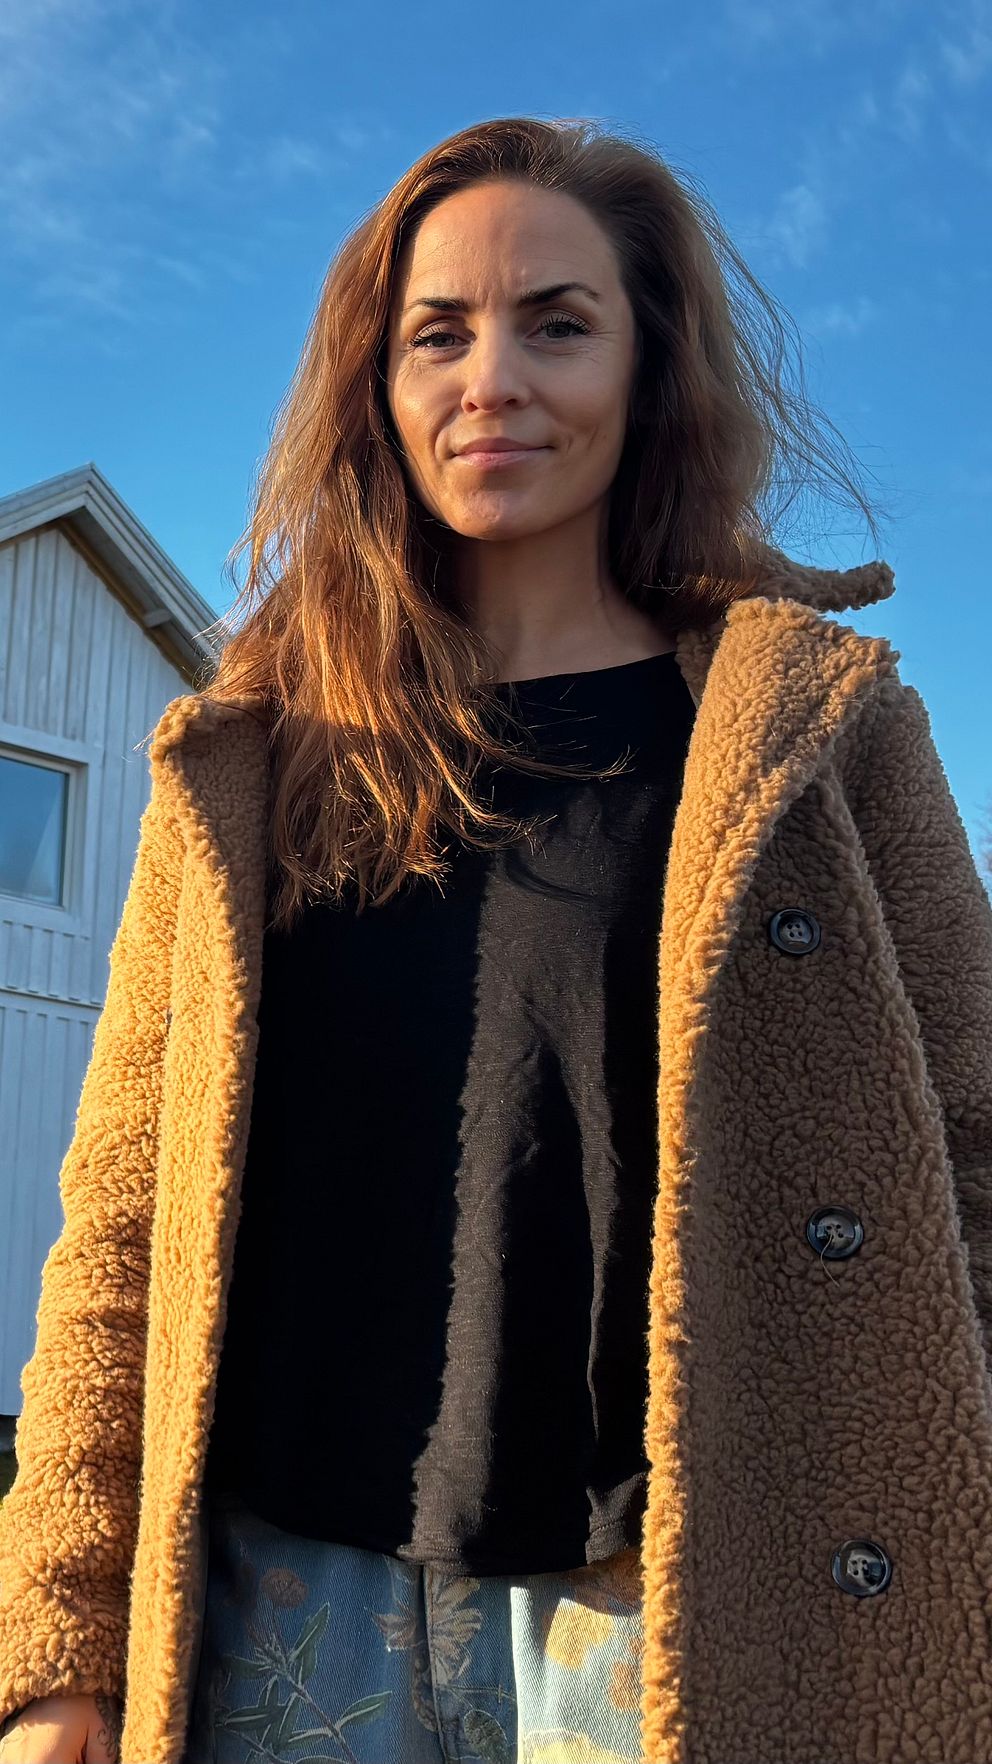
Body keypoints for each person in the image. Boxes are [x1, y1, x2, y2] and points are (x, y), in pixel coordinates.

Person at [2, 115, 991, 1764]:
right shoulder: (250, 755)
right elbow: (120, 1232)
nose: (493, 380)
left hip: (665, 1599)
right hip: (278, 1600)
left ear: (649, 367)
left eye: (558, 324)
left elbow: (968, 1164)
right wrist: (56, 1651)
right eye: (439, 333)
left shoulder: (818, 738)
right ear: (376, 385)